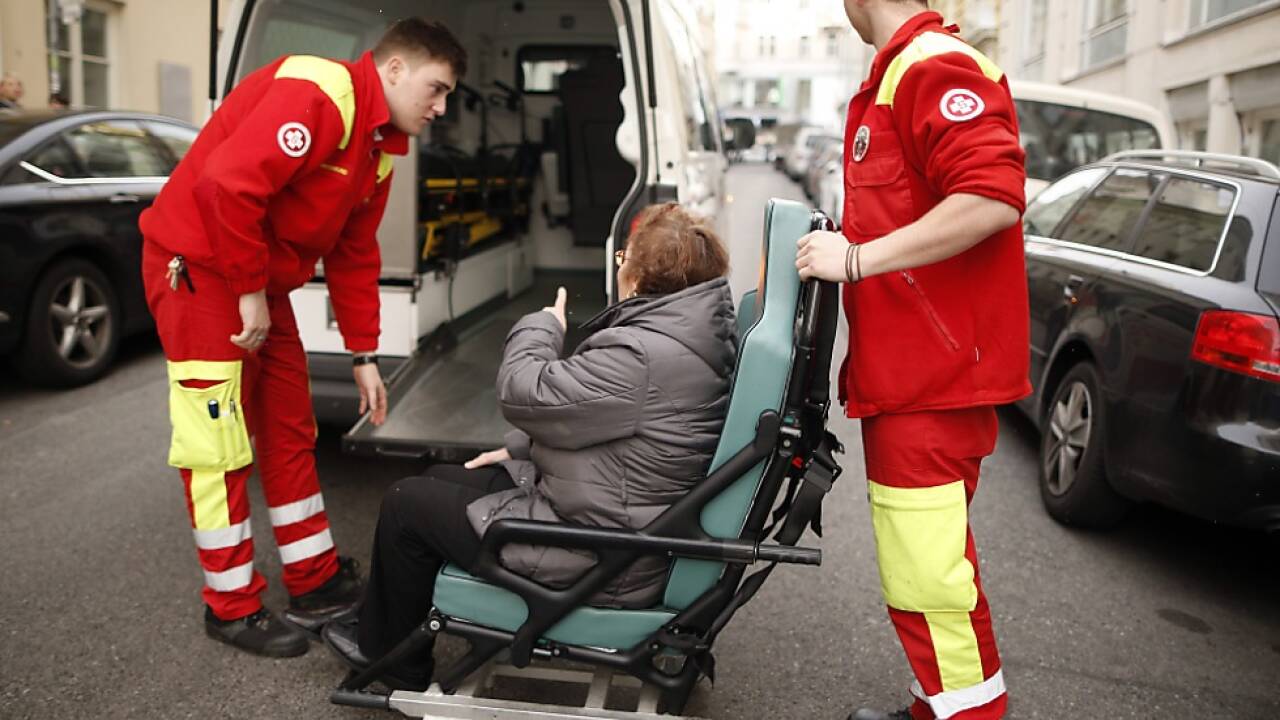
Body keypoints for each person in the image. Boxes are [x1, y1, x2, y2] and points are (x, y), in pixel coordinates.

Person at [138, 18, 466, 658]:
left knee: (289, 425)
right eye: (437, 88)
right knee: (216, 445)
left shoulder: (377, 150)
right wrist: (249, 288)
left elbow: (353, 255)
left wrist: (364, 355)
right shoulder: (320, 95)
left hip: (253, 278)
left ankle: (313, 581)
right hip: (200, 270)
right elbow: (227, 186)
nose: (440, 107)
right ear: (394, 69)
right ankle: (230, 606)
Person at [321, 203, 737, 690]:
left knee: (406, 505)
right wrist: (520, 450)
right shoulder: (688, 340)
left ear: (641, 277)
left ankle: (394, 663)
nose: (619, 265)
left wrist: (544, 326)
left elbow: (526, 392)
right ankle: (386, 627)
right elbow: (604, 427)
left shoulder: (642, 353)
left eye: (623, 257)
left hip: (600, 553)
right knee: (439, 476)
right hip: (613, 520)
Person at [795, 1, 1028, 719]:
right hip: (916, 376)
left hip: (932, 380)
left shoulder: (930, 66)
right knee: (924, 567)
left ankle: (969, 715)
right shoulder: (900, 71)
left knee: (926, 575)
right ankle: (945, 703)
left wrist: (856, 258)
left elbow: (993, 196)